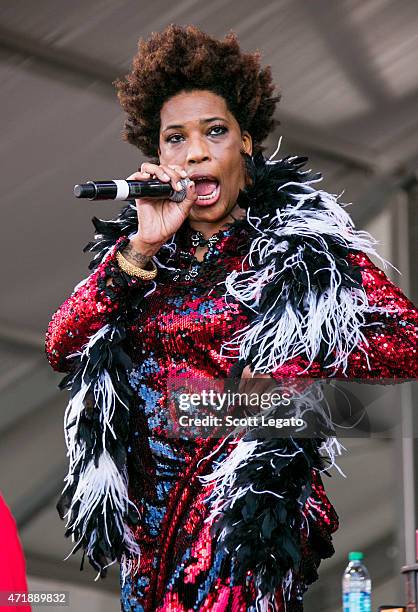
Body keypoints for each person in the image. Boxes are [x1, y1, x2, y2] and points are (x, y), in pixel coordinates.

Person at [44, 24, 417, 612]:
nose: (196, 152)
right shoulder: (142, 256)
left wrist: (292, 361)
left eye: (214, 132)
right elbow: (61, 344)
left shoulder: (297, 248)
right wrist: (140, 249)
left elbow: (409, 341)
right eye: (177, 139)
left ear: (245, 143)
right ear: (158, 157)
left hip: (239, 515)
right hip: (148, 525)